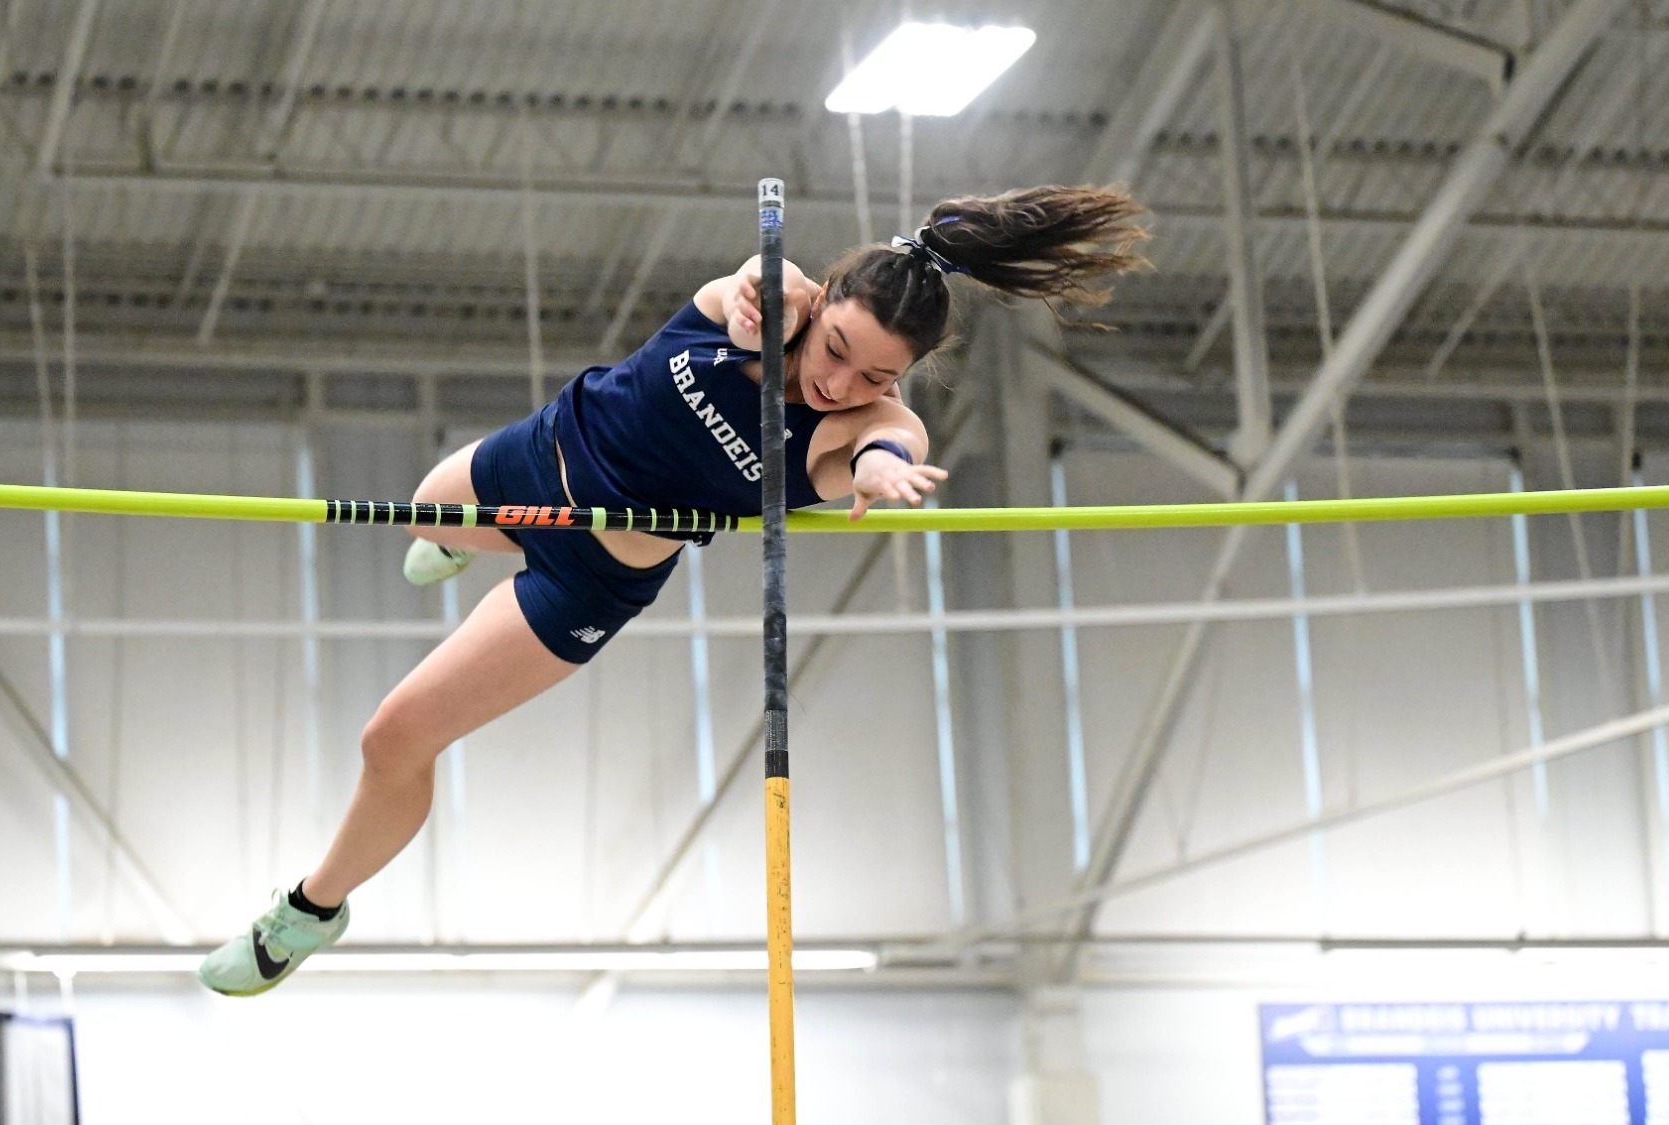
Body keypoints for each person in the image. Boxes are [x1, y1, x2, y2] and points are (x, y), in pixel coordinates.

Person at [197, 185, 1149, 995]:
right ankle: (462, 541)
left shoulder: (862, 424)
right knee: (420, 519)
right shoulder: (774, 297)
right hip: (545, 452)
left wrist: (878, 467)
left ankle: (310, 912)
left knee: (393, 736)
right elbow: (745, 289)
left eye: (876, 374)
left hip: (590, 574)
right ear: (822, 308)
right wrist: (749, 303)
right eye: (837, 350)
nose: (841, 381)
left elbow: (884, 444)